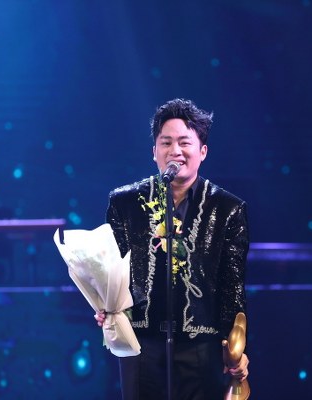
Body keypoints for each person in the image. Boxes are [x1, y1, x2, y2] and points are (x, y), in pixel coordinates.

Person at [96, 98, 250, 399]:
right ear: (154, 151)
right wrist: (104, 304)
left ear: (202, 151)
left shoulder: (228, 209)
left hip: (202, 346)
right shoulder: (124, 203)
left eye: (184, 142)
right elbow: (111, 271)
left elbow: (232, 287)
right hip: (140, 342)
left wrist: (235, 349)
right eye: (166, 143)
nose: (175, 151)